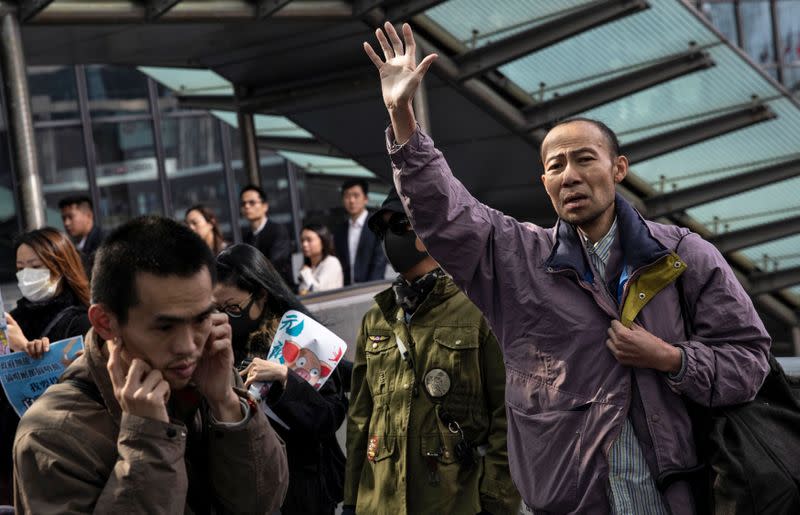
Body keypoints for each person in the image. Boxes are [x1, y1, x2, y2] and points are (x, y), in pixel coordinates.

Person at [362, 23, 771, 514]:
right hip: (566, 502)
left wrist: (670, 358)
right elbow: (444, 212)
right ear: (544, 182)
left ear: (618, 168)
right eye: (556, 166)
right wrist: (401, 114)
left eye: (584, 159)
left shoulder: (684, 255)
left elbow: (749, 362)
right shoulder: (517, 259)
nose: (570, 175)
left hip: (674, 495)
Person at [12, 216, 289, 514]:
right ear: (105, 323)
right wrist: (147, 440)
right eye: (164, 327)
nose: (188, 347)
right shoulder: (51, 434)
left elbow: (263, 502)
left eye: (201, 319)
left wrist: (228, 405)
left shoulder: (211, 374)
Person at [343, 189, 520, 515]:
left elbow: (508, 415)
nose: (389, 238)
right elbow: (360, 418)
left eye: (400, 225)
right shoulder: (376, 318)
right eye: (382, 230)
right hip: (380, 501)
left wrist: (495, 502)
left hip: (457, 500)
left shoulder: (479, 309)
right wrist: (353, 500)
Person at [215, 243, 348, 514]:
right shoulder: (217, 345)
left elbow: (329, 417)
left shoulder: (298, 338)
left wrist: (286, 379)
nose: (226, 318)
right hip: (248, 487)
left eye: (233, 308)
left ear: (261, 295)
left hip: (303, 488)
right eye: (217, 309)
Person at [0, 228, 91, 506]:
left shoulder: (83, 321)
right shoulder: (10, 320)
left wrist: (25, 348)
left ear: (60, 267)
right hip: (12, 452)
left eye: (36, 267)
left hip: (62, 455)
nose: (26, 275)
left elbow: (84, 388)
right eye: (20, 268)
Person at [333, 178, 387, 285]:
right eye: (347, 196)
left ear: (366, 199)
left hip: (370, 288)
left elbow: (380, 261)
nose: (351, 200)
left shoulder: (377, 224)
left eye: (356, 195)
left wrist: (370, 288)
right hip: (346, 290)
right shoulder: (340, 231)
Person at [239, 185, 293, 287]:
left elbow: (275, 264)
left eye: (252, 202)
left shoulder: (278, 231)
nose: (246, 206)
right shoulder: (245, 238)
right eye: (243, 203)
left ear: (265, 206)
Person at [59, 195, 104, 276]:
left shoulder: (102, 243)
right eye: (64, 218)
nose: (66, 223)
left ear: (88, 216)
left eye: (70, 217)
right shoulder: (72, 245)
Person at [297, 224, 343, 295]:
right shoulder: (308, 267)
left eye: (309, 240)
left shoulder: (331, 263)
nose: (304, 244)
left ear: (323, 241)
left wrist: (306, 273)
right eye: (302, 240)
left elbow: (320, 293)